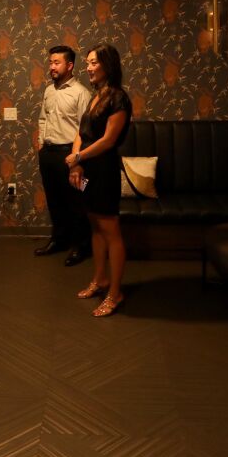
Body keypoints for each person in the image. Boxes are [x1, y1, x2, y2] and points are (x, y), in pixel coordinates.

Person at [67, 44, 132, 317]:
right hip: (86, 174)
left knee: (110, 230)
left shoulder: (119, 98)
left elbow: (108, 141)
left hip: (104, 173)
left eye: (93, 63)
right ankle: (100, 279)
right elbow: (83, 131)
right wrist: (77, 162)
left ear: (107, 65)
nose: (88, 67)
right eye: (88, 63)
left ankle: (115, 293)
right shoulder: (96, 97)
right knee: (94, 224)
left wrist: (78, 156)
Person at [35, 45, 92, 266]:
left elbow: (85, 131)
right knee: (55, 201)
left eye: (56, 62)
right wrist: (41, 145)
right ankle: (58, 241)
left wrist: (78, 161)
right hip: (48, 154)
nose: (52, 67)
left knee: (77, 202)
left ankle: (80, 246)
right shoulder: (49, 91)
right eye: (50, 62)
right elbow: (42, 119)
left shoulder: (81, 93)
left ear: (70, 65)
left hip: (70, 155)